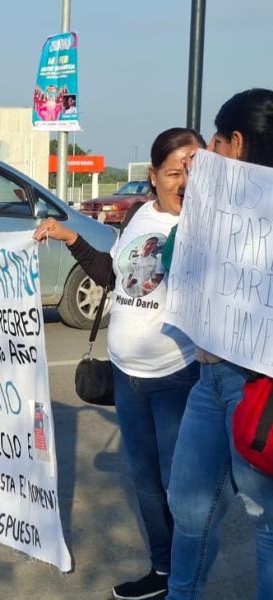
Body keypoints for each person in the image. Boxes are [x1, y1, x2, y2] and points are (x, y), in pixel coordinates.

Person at [34, 127, 206, 600]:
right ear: (153, 175)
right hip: (127, 375)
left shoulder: (206, 225)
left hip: (177, 376)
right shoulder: (139, 214)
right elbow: (114, 276)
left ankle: (186, 584)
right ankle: (164, 571)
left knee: (183, 490)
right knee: (146, 483)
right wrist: (70, 236)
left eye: (195, 170)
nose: (185, 181)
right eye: (175, 172)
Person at [165, 89, 273, 600]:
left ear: (236, 142)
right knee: (187, 504)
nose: (208, 152)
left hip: (259, 389)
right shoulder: (214, 205)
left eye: (215, 141)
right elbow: (170, 262)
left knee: (264, 518)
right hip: (209, 376)